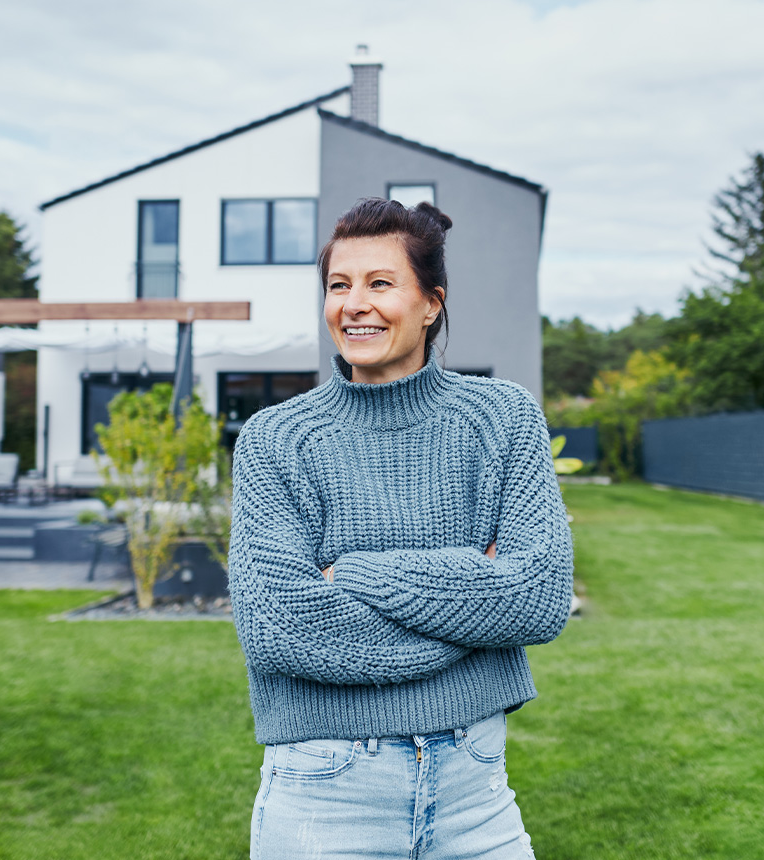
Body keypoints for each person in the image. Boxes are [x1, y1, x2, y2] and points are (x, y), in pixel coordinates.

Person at [228, 197, 574, 859]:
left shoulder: (502, 418)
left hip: (477, 793)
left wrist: (356, 573)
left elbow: (537, 597)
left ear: (431, 303)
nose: (353, 303)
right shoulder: (277, 439)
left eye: (379, 284)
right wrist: (473, 614)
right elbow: (280, 630)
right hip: (324, 794)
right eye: (338, 285)